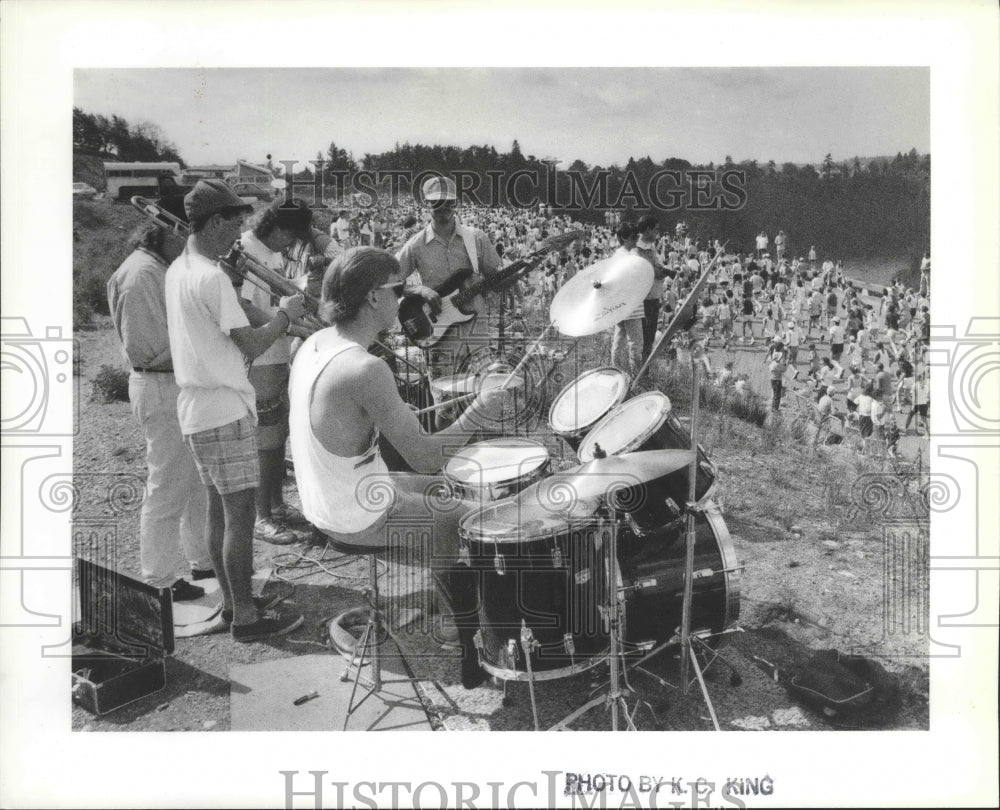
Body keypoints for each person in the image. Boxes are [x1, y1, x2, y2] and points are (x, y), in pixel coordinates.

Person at [288, 247, 509, 688]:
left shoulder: (316, 343)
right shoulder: (365, 368)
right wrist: (482, 409)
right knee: (464, 518)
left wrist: (405, 410)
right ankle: (458, 627)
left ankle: (453, 602)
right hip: (350, 511)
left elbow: (346, 420)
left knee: (451, 491)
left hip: (331, 493)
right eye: (397, 289)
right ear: (372, 298)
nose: (405, 298)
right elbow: (426, 456)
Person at [165, 179, 307, 641]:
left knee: (219, 513)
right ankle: (246, 616)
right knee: (240, 518)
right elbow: (250, 340)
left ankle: (233, 603)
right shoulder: (210, 276)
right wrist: (285, 314)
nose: (237, 233)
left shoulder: (179, 269)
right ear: (215, 221)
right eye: (233, 223)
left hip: (197, 407)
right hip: (223, 407)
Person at [106, 197, 213, 601]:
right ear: (165, 231)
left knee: (196, 482)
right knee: (167, 485)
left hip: (172, 384)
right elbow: (148, 351)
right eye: (183, 235)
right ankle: (160, 579)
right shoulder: (141, 275)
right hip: (161, 383)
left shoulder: (155, 267)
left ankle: (202, 560)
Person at [238, 199, 315, 545]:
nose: (290, 246)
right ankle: (261, 516)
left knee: (276, 437)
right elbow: (244, 307)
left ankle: (275, 503)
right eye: (290, 239)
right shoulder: (246, 249)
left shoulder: (268, 252)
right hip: (262, 357)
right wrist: (291, 325)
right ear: (279, 229)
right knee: (265, 442)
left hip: (276, 352)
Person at [396, 176, 502, 417]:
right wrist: (419, 290)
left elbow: (495, 277)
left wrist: (512, 277)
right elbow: (389, 282)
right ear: (426, 205)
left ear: (457, 203)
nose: (443, 209)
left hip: (477, 336)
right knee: (445, 410)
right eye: (436, 203)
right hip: (438, 340)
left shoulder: (476, 239)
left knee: (484, 406)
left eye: (449, 203)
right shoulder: (416, 245)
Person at [609, 222, 645, 376]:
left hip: (621, 304)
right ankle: (635, 376)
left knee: (619, 340)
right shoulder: (627, 256)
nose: (636, 240)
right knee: (636, 343)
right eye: (633, 237)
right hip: (631, 305)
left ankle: (616, 371)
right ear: (624, 238)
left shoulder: (619, 254)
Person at [632, 215, 668, 360]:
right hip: (644, 300)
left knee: (650, 339)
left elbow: (654, 266)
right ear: (647, 229)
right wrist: (659, 272)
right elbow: (643, 271)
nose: (657, 233)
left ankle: (645, 372)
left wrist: (662, 269)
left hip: (653, 298)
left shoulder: (650, 246)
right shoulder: (636, 249)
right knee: (644, 340)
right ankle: (640, 374)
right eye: (655, 230)